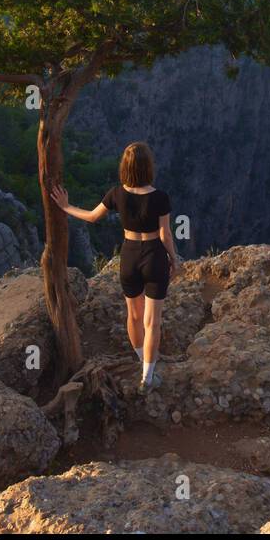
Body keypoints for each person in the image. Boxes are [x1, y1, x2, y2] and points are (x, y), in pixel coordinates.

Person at [51, 141, 176, 394]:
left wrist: (65, 207)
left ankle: (142, 361)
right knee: (153, 321)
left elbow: (92, 217)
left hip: (129, 256)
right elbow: (165, 233)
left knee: (134, 315)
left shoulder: (116, 193)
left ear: (125, 167)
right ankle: (148, 377)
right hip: (154, 256)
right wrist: (173, 258)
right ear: (148, 167)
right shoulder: (160, 198)